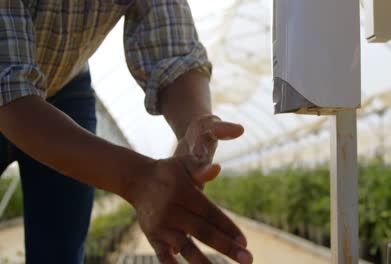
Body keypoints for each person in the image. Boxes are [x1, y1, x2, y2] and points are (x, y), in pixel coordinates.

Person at [0, 1, 253, 264]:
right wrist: (138, 179)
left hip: (66, 84)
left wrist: (196, 122)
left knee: (59, 249)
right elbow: (8, 88)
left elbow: (171, 46)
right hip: (17, 86)